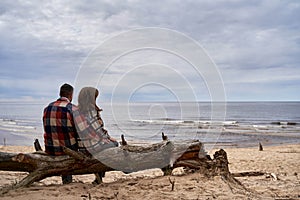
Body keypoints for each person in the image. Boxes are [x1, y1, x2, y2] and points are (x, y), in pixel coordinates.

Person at [73, 87, 118, 184]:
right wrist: (103, 139)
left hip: (92, 142)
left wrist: (107, 137)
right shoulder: (79, 112)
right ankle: (100, 176)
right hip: (87, 145)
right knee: (114, 145)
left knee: (114, 143)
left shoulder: (88, 111)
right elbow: (86, 131)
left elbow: (99, 129)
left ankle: (99, 177)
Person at [43, 83, 78, 184]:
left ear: (60, 93)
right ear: (70, 95)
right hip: (69, 151)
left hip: (50, 149)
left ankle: (66, 180)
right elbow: (80, 132)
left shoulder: (47, 108)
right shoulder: (73, 109)